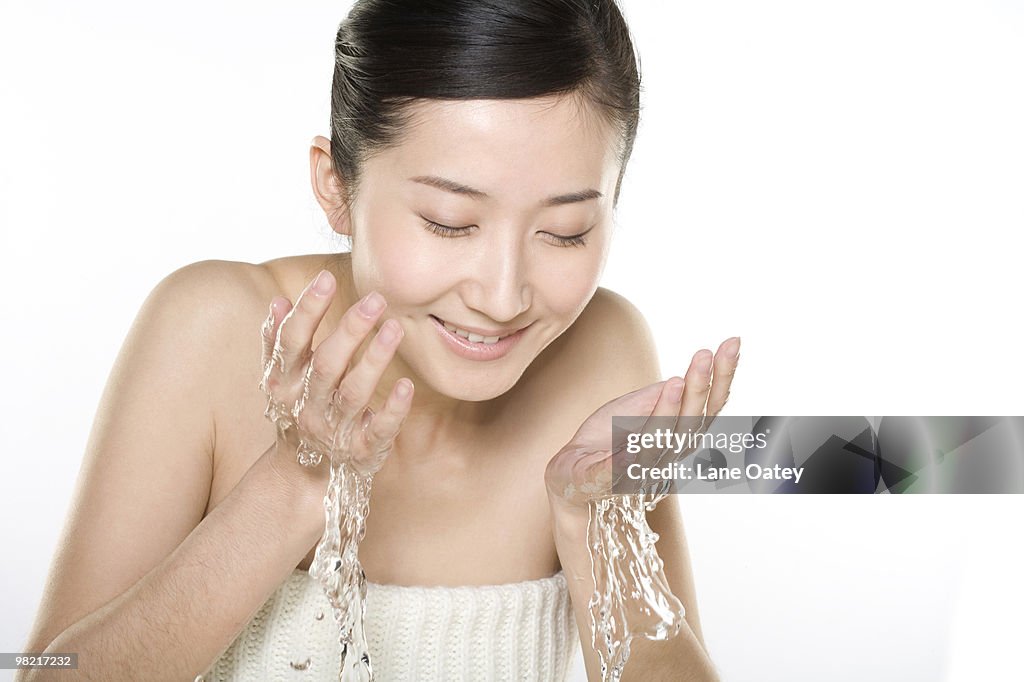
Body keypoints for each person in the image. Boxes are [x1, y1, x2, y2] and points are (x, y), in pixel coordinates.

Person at [19, 1, 738, 680]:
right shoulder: (211, 332)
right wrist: (295, 483)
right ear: (335, 185)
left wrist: (594, 525)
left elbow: (845, 457)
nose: (502, 295)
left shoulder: (604, 353)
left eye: (566, 232)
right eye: (450, 221)